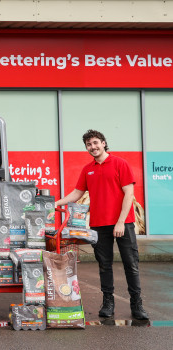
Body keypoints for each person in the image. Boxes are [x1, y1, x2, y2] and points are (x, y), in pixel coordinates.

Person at [55, 129, 148, 320]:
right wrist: (57, 203)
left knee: (131, 265)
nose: (93, 147)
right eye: (89, 145)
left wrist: (121, 222)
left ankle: (137, 305)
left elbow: (129, 194)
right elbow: (77, 193)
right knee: (104, 266)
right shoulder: (88, 169)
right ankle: (108, 303)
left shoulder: (120, 163)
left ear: (104, 143)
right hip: (99, 225)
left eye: (95, 143)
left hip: (124, 223)